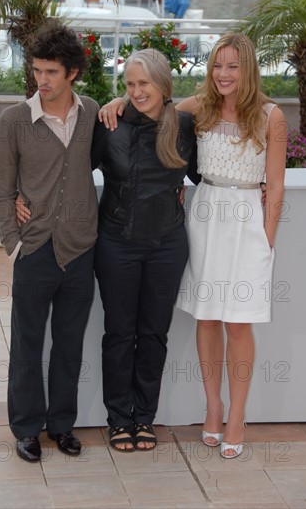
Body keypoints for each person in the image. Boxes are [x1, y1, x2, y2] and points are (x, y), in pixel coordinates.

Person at [98, 33, 286, 458]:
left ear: (248, 69)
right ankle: (213, 408)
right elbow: (152, 104)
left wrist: (266, 241)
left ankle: (237, 414)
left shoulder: (271, 116)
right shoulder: (198, 107)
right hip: (203, 221)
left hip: (247, 226)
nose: (223, 74)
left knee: (239, 324)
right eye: (218, 65)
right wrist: (114, 103)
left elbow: (274, 187)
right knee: (206, 320)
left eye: (233, 66)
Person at [0, 19, 99, 462]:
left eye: (51, 71)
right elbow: (2, 188)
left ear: (72, 71)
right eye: (37, 70)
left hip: (80, 248)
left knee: (70, 344)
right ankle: (26, 428)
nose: (42, 80)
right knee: (27, 344)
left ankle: (61, 426)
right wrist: (12, 243)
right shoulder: (14, 120)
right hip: (34, 248)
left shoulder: (93, 112)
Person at [92, 48, 199, 451]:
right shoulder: (110, 124)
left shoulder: (184, 127)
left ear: (163, 84)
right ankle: (119, 419)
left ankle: (144, 418)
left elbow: (207, 174)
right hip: (115, 243)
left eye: (144, 84)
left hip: (167, 246)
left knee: (154, 334)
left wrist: (262, 182)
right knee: (119, 333)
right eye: (130, 85)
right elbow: (74, 168)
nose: (137, 92)